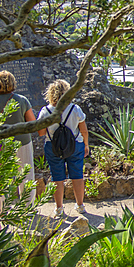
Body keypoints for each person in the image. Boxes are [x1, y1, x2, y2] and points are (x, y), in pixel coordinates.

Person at [37, 80, 89, 218]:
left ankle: (59, 208)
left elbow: (41, 133)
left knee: (57, 177)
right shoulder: (75, 109)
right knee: (77, 175)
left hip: (53, 146)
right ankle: (80, 205)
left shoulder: (45, 111)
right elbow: (83, 130)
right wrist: (86, 144)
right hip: (75, 145)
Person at [0, 70, 37, 218]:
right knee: (26, 174)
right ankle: (27, 209)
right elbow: (32, 123)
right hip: (22, 141)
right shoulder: (22, 100)